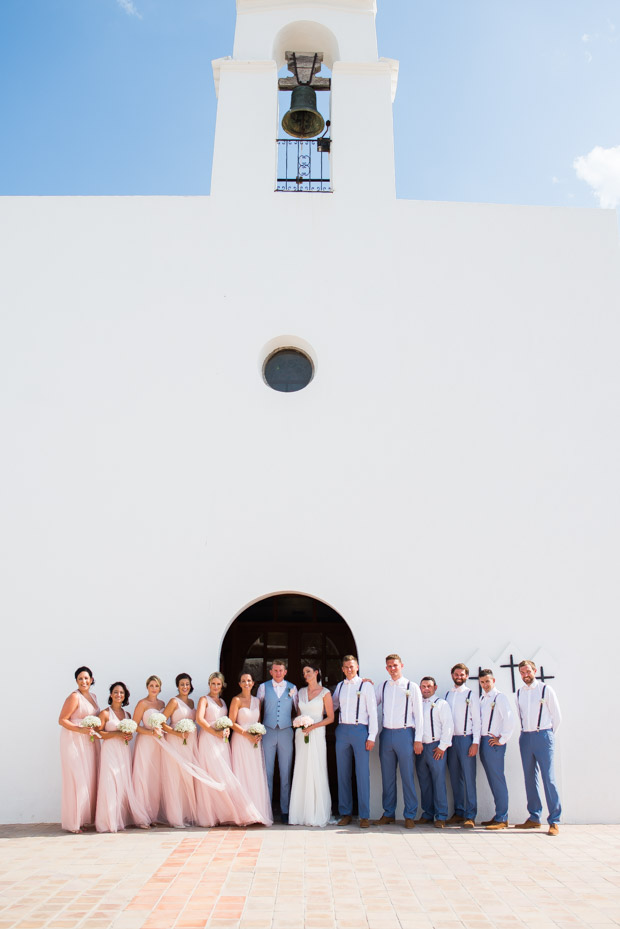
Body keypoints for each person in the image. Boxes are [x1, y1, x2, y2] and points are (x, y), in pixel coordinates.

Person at [195, 671, 267, 826]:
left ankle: (245, 811)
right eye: (213, 683)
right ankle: (212, 814)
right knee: (215, 775)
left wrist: (257, 733)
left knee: (238, 776)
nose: (215, 686)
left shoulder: (224, 702)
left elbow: (233, 722)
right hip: (214, 739)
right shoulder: (212, 699)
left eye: (218, 684)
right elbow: (200, 719)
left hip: (230, 742)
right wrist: (218, 731)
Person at [373, 653, 423, 828]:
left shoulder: (412, 686)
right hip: (387, 734)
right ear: (386, 668)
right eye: (389, 666)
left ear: (401, 665)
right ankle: (388, 813)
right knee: (387, 776)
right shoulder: (383, 686)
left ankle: (410, 814)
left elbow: (419, 714)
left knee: (407, 775)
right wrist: (362, 684)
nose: (392, 669)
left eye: (395, 665)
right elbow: (371, 703)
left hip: (405, 733)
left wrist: (418, 739)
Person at [515, 659, 562, 836]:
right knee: (529, 777)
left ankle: (554, 820)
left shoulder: (545, 689)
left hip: (543, 735)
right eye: (522, 672)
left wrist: (548, 736)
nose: (525, 675)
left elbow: (557, 717)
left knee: (548, 778)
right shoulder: (519, 693)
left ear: (534, 671)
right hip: (525, 736)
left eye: (528, 671)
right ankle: (534, 817)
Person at [95, 681, 149, 833]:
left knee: (123, 782)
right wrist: (116, 734)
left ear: (125, 696)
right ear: (111, 694)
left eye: (122, 693)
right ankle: (108, 821)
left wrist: (128, 736)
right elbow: (99, 733)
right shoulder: (105, 713)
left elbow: (130, 733)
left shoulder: (128, 715)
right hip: (110, 750)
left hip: (123, 751)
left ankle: (121, 819)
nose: (119, 695)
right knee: (110, 782)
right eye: (116, 692)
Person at [332, 654, 378, 828]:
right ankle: (346, 813)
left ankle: (364, 815)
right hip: (343, 730)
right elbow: (333, 705)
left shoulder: (366, 685)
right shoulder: (340, 686)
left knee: (362, 773)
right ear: (342, 669)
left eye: (352, 666)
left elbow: (373, 712)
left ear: (357, 667)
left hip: (360, 730)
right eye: (346, 667)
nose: (349, 670)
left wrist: (372, 735)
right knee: (343, 773)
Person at [288, 662, 334, 827]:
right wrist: (299, 723)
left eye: (308, 671)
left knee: (316, 768)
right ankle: (300, 813)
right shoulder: (300, 692)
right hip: (301, 735)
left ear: (316, 672)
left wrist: (312, 726)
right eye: (304, 672)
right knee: (302, 769)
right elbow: (299, 714)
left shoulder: (325, 693)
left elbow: (330, 717)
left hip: (316, 733)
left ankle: (316, 812)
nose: (306, 674)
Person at [58, 666, 101, 833]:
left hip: (89, 742)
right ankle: (73, 822)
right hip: (74, 741)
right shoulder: (74, 697)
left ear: (91, 679)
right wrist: (80, 729)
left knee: (88, 778)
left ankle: (84, 818)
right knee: (77, 779)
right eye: (80, 679)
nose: (84, 681)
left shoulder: (94, 697)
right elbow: (62, 720)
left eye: (86, 678)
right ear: (76, 681)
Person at [230, 671, 273, 826]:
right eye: (243, 681)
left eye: (249, 680)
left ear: (253, 683)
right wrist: (246, 734)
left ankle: (256, 812)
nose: (246, 683)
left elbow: (259, 722)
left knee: (254, 775)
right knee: (242, 773)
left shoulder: (257, 701)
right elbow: (231, 722)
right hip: (241, 740)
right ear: (240, 684)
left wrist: (258, 734)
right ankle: (243, 814)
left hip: (254, 742)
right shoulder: (236, 700)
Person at [257, 660, 298, 823]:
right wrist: (258, 728)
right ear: (271, 672)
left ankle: (285, 810)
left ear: (285, 672)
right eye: (275, 670)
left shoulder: (292, 688)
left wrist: (294, 723)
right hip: (268, 731)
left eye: (281, 670)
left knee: (285, 772)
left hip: (286, 732)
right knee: (267, 772)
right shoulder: (263, 687)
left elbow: (298, 708)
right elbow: (257, 708)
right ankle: (266, 808)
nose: (278, 673)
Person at [159, 673, 200, 827]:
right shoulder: (173, 702)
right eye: (182, 684)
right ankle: (175, 817)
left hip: (189, 743)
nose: (185, 687)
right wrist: (176, 733)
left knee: (187, 779)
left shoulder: (191, 702)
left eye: (187, 684)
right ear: (178, 686)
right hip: (175, 742)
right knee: (175, 779)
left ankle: (187, 814)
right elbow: (162, 722)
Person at [478, 669, 514, 830]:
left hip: (494, 742)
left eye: (487, 681)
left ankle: (502, 817)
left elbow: (509, 719)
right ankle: (498, 813)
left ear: (493, 681)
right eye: (482, 682)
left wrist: (502, 739)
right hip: (483, 741)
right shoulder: (482, 698)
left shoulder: (500, 697)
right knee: (492, 779)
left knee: (498, 779)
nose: (485, 685)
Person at [415, 676, 453, 828]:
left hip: (436, 746)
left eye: (429, 686)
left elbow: (448, 725)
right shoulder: (417, 704)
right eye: (423, 686)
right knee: (424, 782)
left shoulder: (441, 704)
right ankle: (428, 813)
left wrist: (442, 746)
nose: (426, 689)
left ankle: (441, 815)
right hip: (421, 747)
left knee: (438, 781)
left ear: (435, 687)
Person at [445, 662, 480, 827]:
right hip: (451, 741)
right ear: (452, 675)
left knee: (468, 778)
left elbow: (477, 720)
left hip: (467, 739)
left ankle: (470, 814)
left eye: (462, 675)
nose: (459, 677)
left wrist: (475, 743)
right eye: (456, 674)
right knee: (455, 777)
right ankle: (458, 812)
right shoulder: (448, 695)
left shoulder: (471, 694)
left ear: (466, 676)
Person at [132, 674, 166, 825]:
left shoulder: (162, 704)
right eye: (151, 686)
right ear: (147, 687)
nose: (154, 688)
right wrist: (150, 732)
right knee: (143, 777)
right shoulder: (142, 703)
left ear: (160, 688)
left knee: (155, 778)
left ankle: (153, 815)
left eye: (156, 686)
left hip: (158, 744)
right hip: (145, 742)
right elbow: (134, 725)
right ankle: (141, 817)